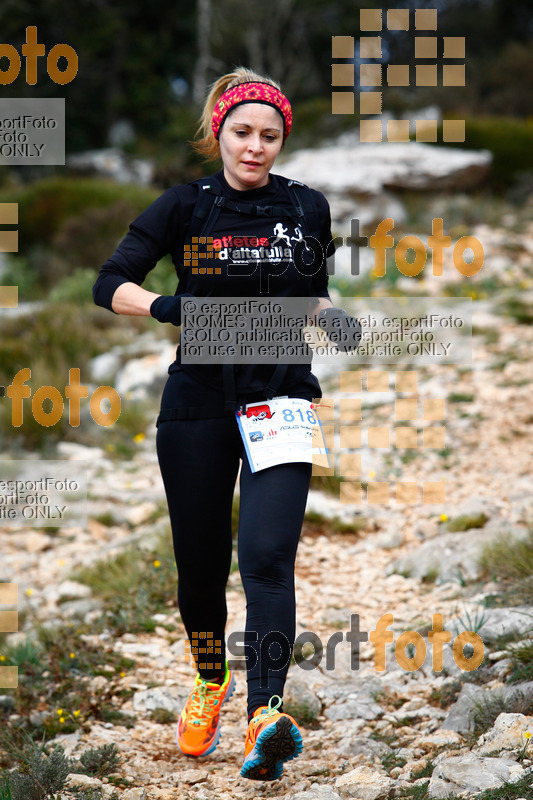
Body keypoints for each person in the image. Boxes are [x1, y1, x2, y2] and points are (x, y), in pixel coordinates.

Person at [93, 66, 360, 782]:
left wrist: (331, 319)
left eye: (269, 136)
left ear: (282, 140)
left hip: (282, 399)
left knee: (269, 558)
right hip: (197, 405)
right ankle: (211, 682)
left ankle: (265, 716)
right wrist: (165, 307)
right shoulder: (183, 206)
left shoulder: (307, 208)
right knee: (201, 568)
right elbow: (107, 282)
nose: (255, 148)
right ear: (218, 131)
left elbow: (309, 295)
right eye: (242, 132)